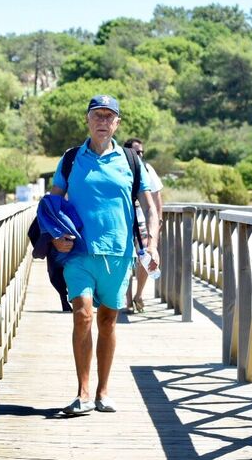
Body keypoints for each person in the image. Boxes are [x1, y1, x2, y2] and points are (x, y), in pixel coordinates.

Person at [50, 95, 160, 415]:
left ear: (117, 123)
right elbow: (53, 204)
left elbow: (151, 208)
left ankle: (103, 391)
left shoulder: (130, 161)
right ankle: (83, 392)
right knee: (82, 314)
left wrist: (151, 244)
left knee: (108, 322)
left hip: (118, 254)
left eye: (108, 116)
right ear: (87, 120)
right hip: (79, 252)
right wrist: (56, 236)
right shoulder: (71, 159)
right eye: (96, 115)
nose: (102, 121)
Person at [123, 138, 164, 313]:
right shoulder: (120, 167)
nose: (140, 155)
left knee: (145, 257)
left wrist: (158, 221)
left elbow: (156, 197)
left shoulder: (147, 169)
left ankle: (138, 294)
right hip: (124, 221)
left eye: (142, 152)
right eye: (136, 152)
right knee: (125, 260)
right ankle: (127, 300)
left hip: (143, 221)